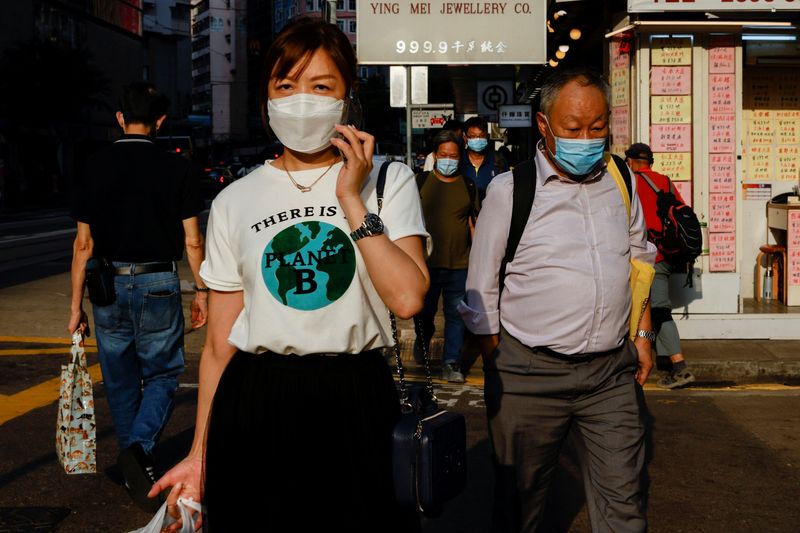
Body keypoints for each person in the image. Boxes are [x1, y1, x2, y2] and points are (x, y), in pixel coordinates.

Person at [149, 18, 430, 532]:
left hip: (357, 396)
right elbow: (218, 347)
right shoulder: (236, 199)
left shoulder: (389, 181)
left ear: (347, 98)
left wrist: (350, 197)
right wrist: (198, 455)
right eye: (286, 85)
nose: (301, 101)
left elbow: (408, 298)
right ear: (267, 100)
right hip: (256, 397)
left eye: (321, 86)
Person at [458, 67, 657, 533]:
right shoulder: (510, 191)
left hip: (611, 373)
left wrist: (643, 334)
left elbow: (639, 260)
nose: (586, 139)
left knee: (625, 504)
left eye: (597, 128)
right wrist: (499, 362)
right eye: (573, 129)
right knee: (519, 507)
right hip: (528, 372)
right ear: (545, 126)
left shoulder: (622, 181)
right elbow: (480, 289)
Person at [66, 81, 208, 512]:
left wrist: (74, 307)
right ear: (160, 121)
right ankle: (138, 451)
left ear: (119, 119)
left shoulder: (92, 165)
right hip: (159, 282)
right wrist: (201, 290)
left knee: (121, 378)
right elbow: (192, 239)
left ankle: (134, 455)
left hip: (106, 286)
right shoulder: (177, 167)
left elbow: (83, 244)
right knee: (164, 373)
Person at [626, 142, 696, 389]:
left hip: (645, 258)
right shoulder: (664, 181)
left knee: (658, 309)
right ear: (650, 162)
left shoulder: (630, 182)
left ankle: (680, 366)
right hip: (666, 255)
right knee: (652, 310)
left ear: (632, 162)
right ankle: (666, 364)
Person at [414, 129, 480, 383]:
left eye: (453, 155)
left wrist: (478, 260)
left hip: (460, 265)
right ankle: (422, 340)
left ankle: (451, 363)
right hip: (426, 264)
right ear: (435, 155)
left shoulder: (468, 185)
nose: (449, 160)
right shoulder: (420, 182)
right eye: (444, 155)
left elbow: (474, 224)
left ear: (460, 156)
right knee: (424, 313)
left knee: (456, 316)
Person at [460, 115, 500, 200]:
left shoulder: (497, 160)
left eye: (481, 136)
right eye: (473, 136)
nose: (478, 139)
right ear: (465, 137)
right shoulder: (459, 161)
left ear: (487, 136)